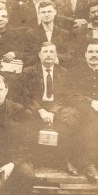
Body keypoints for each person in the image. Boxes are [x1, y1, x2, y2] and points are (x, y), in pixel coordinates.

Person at [22, 42, 80, 175]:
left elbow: (68, 96)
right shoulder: (29, 71)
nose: (48, 55)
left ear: (56, 55)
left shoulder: (64, 72)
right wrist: (40, 110)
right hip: (36, 105)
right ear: (39, 55)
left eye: (52, 52)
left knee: (71, 116)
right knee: (26, 115)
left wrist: (53, 111)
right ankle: (28, 159)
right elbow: (24, 95)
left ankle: (66, 160)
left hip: (57, 106)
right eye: (45, 52)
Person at [67, 38, 98, 182]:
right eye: (91, 51)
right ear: (85, 54)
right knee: (94, 123)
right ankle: (89, 164)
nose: (94, 55)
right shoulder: (75, 72)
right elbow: (68, 95)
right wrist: (91, 102)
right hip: (83, 112)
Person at [28, 0, 74, 67]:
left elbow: (69, 55)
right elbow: (29, 55)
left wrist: (55, 58)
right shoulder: (31, 34)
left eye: (49, 11)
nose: (46, 15)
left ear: (55, 12)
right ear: (39, 14)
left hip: (60, 69)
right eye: (43, 12)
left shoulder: (65, 34)